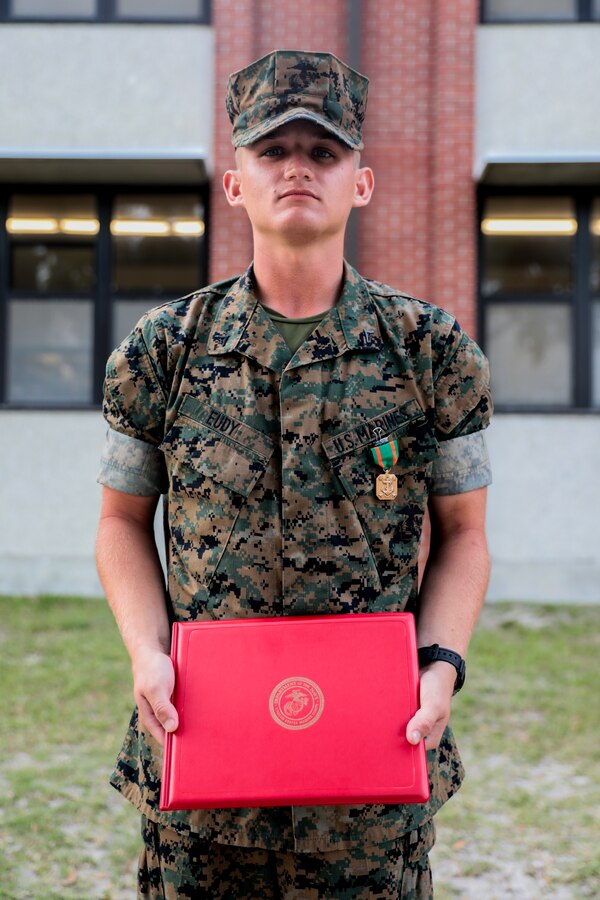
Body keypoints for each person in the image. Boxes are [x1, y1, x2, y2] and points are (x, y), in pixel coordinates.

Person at [96, 50, 492, 899]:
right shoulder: (162, 351)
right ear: (234, 185)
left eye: (324, 152)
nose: (298, 170)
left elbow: (465, 536)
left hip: (369, 778)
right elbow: (120, 523)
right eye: (273, 152)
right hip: (202, 763)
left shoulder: (432, 352)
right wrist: (146, 652)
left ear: (363, 183)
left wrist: (443, 662)